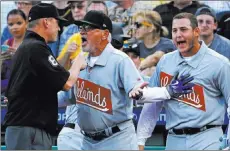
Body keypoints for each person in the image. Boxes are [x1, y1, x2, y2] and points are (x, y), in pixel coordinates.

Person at [56, 10, 194, 150]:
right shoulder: (81, 62)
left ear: (105, 35)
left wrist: (167, 91)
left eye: (89, 28)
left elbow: (141, 92)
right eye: (81, 28)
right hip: (86, 141)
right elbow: (67, 97)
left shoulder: (120, 60)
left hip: (117, 140)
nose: (82, 32)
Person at [136, 12, 230, 150]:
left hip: (208, 138)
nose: (178, 34)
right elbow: (153, 104)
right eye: (174, 31)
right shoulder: (165, 62)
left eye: (183, 30)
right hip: (174, 139)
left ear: (196, 31)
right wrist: (140, 140)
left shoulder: (219, 63)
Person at [2, 3, 86, 150]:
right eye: (57, 23)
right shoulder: (36, 47)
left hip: (23, 129)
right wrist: (78, 63)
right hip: (29, 130)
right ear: (46, 22)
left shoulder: (26, 47)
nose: (59, 28)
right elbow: (67, 83)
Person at [132, 10, 176, 76]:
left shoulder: (167, 44)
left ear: (150, 28)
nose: (134, 28)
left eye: (138, 25)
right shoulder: (136, 46)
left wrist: (134, 70)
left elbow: (154, 59)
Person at [1, 9, 27, 97]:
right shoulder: (7, 43)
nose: (14, 27)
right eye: (11, 24)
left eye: (19, 23)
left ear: (26, 23)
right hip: (8, 86)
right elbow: (2, 72)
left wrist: (18, 55)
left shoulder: (33, 42)